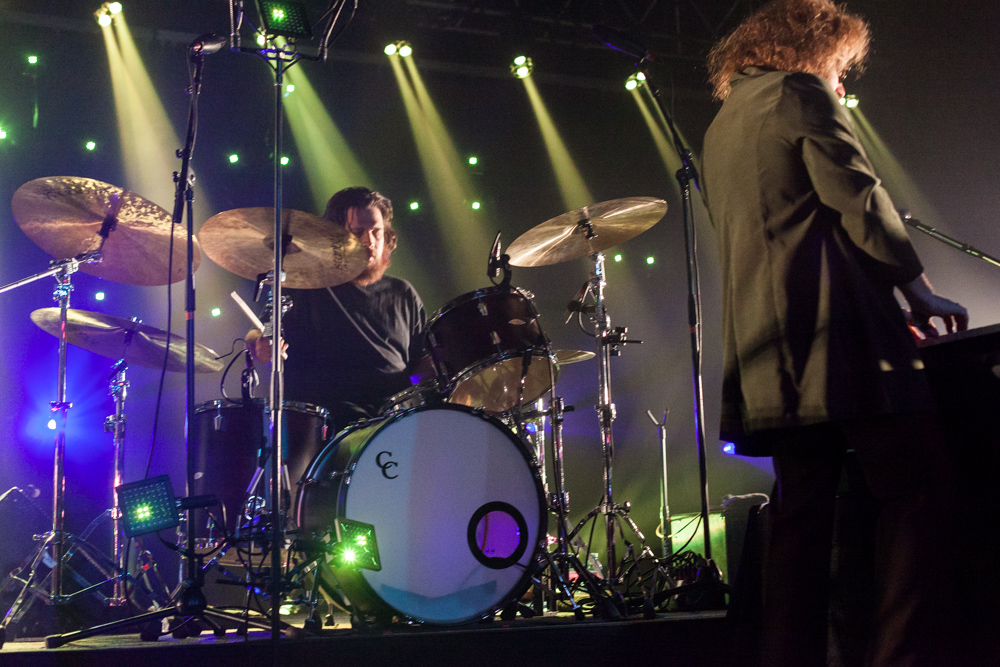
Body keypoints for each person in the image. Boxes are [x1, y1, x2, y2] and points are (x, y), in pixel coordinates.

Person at [701, 1, 968, 665]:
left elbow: (788, 229)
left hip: (767, 350)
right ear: (811, 50)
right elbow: (859, 198)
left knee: (800, 521)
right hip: (834, 342)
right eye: (841, 67)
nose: (843, 83)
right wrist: (915, 285)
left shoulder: (725, 122)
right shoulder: (799, 93)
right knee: (920, 488)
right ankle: (898, 655)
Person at [248, 187, 428, 433]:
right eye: (357, 232)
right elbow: (261, 330)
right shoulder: (307, 286)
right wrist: (262, 343)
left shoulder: (403, 292)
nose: (369, 241)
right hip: (331, 424)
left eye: (376, 231)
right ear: (333, 236)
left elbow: (424, 361)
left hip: (397, 422)